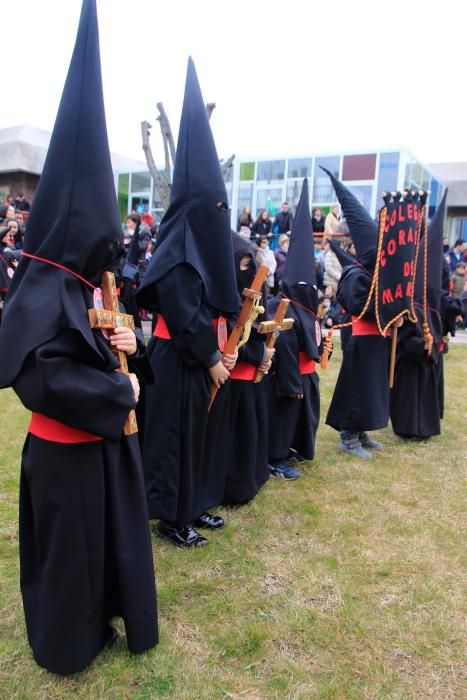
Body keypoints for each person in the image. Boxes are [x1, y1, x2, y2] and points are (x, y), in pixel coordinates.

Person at [0, 0, 158, 674]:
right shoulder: (41, 286)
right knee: (70, 552)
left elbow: (114, 338)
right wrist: (116, 387)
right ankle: (67, 644)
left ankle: (102, 619)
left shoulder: (89, 281)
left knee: (104, 545)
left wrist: (134, 352)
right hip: (65, 454)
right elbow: (42, 379)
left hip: (103, 448)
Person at [136, 58, 240, 548]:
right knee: (171, 441)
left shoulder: (194, 238)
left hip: (193, 358)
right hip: (175, 357)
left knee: (193, 435)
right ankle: (170, 517)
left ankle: (193, 503)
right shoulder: (178, 244)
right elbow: (182, 311)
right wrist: (211, 357)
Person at [322, 168, 390, 459]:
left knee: (372, 388)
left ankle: (362, 430)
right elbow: (357, 305)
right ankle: (348, 435)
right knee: (357, 387)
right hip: (360, 339)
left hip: (377, 339)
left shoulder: (377, 275)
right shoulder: (355, 274)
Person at [390, 191, 462, 439]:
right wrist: (422, 344)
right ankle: (409, 427)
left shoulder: (432, 302)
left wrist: (434, 344)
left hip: (428, 357)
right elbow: (402, 340)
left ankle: (426, 427)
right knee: (410, 390)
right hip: (411, 360)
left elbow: (446, 302)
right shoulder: (411, 305)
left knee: (426, 387)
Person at [267, 178, 321, 480]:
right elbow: (284, 347)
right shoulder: (282, 306)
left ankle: (293, 449)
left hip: (306, 374)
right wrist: (291, 383)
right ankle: (275, 457)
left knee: (302, 419)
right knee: (283, 419)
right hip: (288, 378)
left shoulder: (308, 305)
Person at [222, 233, 272, 503]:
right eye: (243, 265)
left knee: (252, 433)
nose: (249, 270)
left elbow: (259, 330)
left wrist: (266, 354)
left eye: (251, 263)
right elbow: (233, 336)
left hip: (252, 378)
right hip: (232, 378)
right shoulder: (225, 296)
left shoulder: (257, 293)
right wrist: (258, 353)